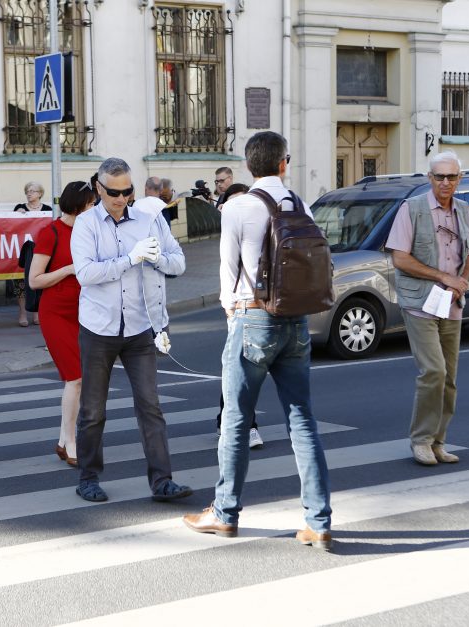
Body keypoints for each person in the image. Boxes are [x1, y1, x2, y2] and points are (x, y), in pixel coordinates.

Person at [183, 131, 333, 550]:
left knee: (235, 418)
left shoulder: (238, 206)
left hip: (252, 317)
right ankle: (318, 520)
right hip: (296, 319)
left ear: (249, 167)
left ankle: (225, 513)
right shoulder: (297, 203)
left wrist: (233, 315)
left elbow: (227, 270)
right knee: (301, 418)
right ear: (284, 163)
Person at [70, 157, 191, 503]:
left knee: (150, 406)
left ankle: (162, 481)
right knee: (93, 410)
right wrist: (130, 260)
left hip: (140, 327)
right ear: (99, 188)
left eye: (127, 191)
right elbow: (86, 274)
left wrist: (154, 259)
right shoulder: (86, 224)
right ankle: (88, 477)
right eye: (114, 193)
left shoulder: (149, 219)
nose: (122, 199)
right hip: (99, 328)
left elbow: (178, 262)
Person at [386, 151, 469, 466]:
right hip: (420, 302)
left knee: (450, 377)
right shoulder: (411, 210)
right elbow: (400, 258)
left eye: (451, 177)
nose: (445, 182)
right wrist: (442, 277)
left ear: (459, 180)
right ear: (429, 178)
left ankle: (439, 441)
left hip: (451, 304)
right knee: (433, 371)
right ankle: (421, 440)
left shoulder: (465, 212)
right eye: (439, 176)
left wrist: (459, 283)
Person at [29, 181, 95, 467]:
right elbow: (34, 281)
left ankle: (62, 439)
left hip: (86, 312)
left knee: (80, 380)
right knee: (75, 378)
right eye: (91, 203)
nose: (95, 208)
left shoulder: (90, 230)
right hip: (56, 313)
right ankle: (70, 442)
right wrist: (68, 269)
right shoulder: (50, 232)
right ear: (79, 204)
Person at [212, 182, 263, 449]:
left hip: (262, 305)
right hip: (238, 306)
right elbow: (227, 267)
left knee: (245, 371)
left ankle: (229, 421)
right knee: (236, 371)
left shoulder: (260, 221)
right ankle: (242, 425)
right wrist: (229, 306)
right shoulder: (229, 231)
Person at [12, 181, 53, 326]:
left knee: (38, 281)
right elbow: (11, 227)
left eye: (33, 191)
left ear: (40, 194)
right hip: (23, 250)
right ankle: (23, 314)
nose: (29, 193)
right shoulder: (20, 208)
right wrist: (17, 215)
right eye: (27, 191)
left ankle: (37, 313)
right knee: (21, 283)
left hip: (39, 251)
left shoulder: (48, 209)